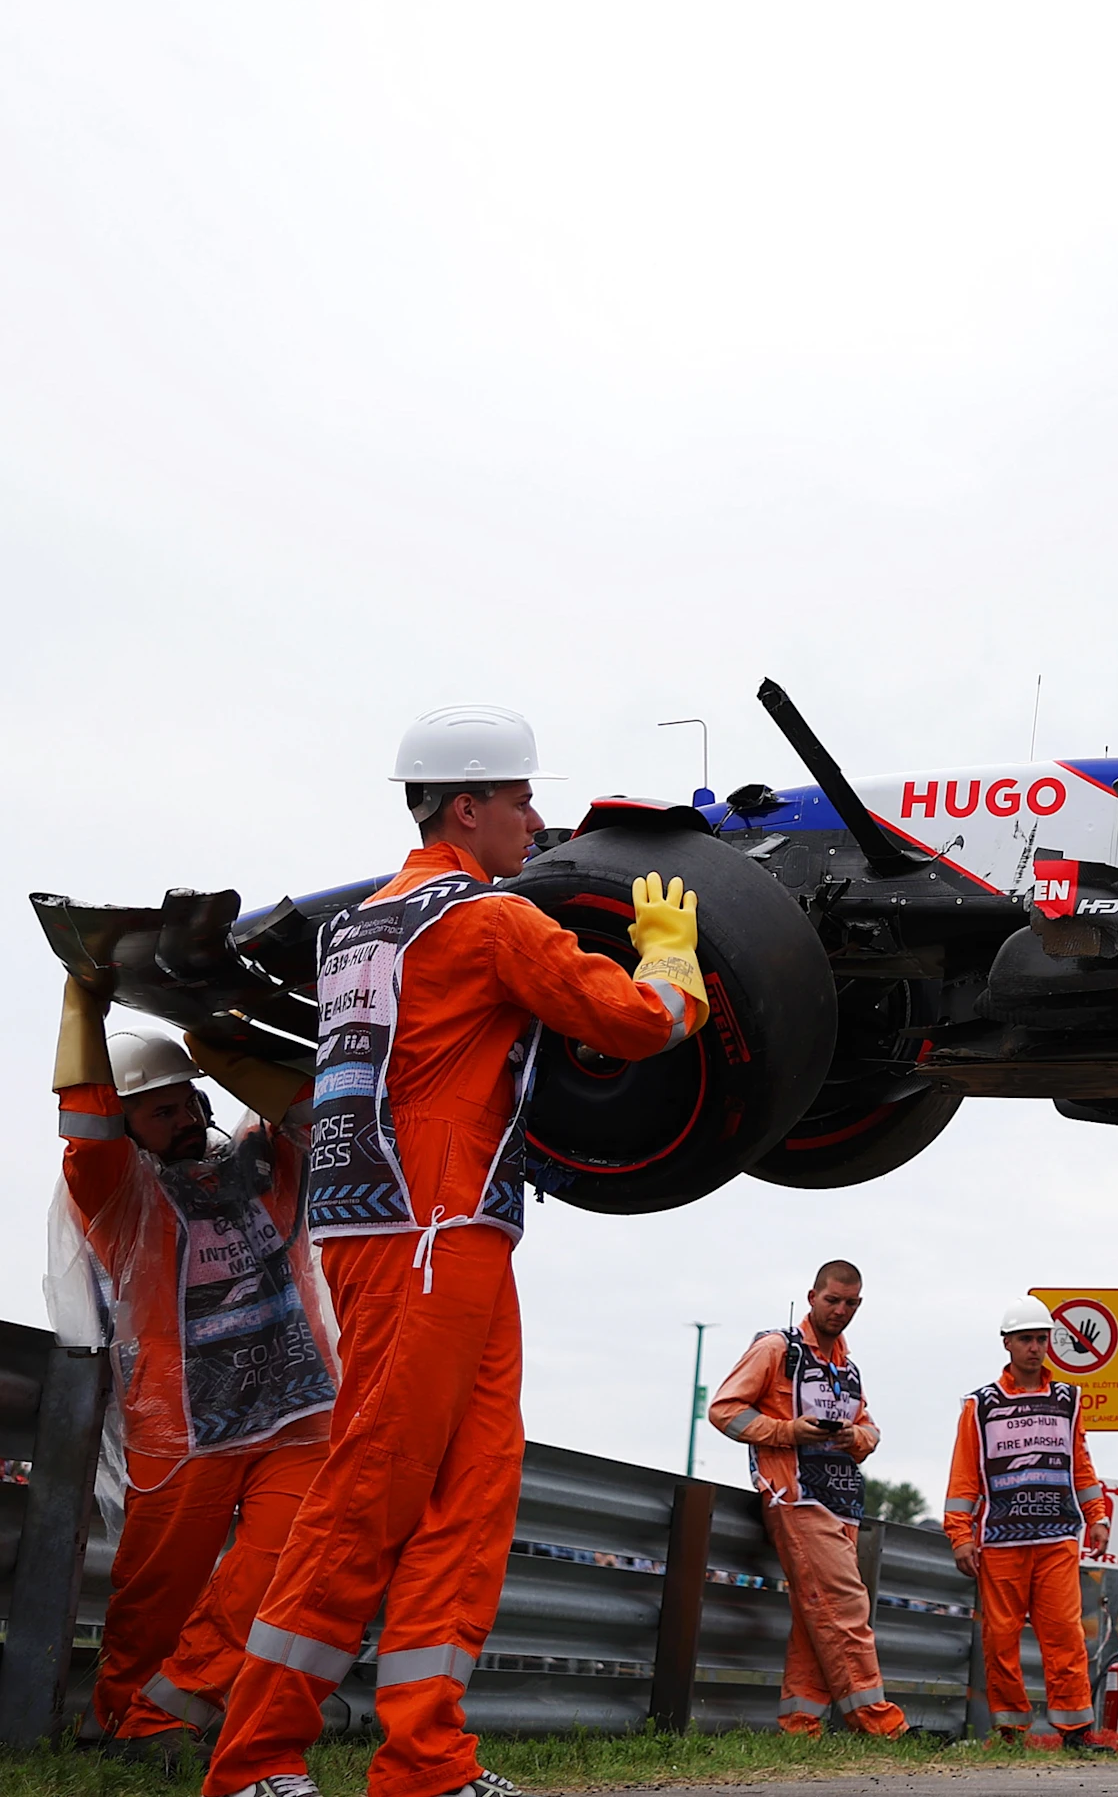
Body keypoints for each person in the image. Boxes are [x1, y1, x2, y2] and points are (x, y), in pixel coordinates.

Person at [210, 705, 709, 1797]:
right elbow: (633, 1022)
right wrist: (671, 958)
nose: (539, 819)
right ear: (467, 807)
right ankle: (251, 1760)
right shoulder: (486, 920)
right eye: (522, 799)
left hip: (433, 1227)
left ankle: (425, 1758)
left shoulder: (359, 929)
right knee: (373, 1489)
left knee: (473, 1489)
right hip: (426, 1231)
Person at [51, 992, 339, 1759]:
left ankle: (169, 1717)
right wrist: (82, 1002)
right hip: (184, 1426)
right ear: (124, 1122)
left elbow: (321, 1113)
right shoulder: (115, 1190)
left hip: (297, 1411)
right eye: (157, 1111)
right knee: (156, 1596)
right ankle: (114, 1723)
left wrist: (229, 1049)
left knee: (288, 1564)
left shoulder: (259, 1162)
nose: (181, 1120)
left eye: (188, 1102)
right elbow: (83, 1136)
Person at [711, 1261, 911, 1740]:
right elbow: (724, 1410)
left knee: (814, 1614)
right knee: (845, 1605)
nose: (841, 1311)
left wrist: (856, 1438)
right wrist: (786, 1432)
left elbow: (870, 1426)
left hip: (843, 1500)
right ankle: (880, 1724)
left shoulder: (847, 1366)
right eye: (832, 1300)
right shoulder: (776, 1348)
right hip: (795, 1496)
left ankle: (801, 1725)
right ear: (812, 1297)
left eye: (851, 1304)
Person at [942, 1297, 1112, 1747]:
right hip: (1000, 1542)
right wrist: (960, 1535)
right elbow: (964, 1476)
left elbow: (1080, 1465)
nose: (1035, 1348)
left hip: (1057, 1537)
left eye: (1041, 1339)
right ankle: (1010, 1730)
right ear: (1007, 1344)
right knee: (1000, 1639)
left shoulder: (1068, 1401)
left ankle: (1076, 1731)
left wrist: (1097, 1515)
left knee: (1065, 1636)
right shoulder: (980, 1406)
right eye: (1025, 1339)